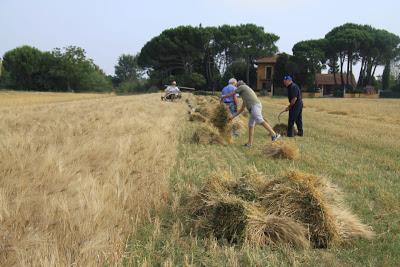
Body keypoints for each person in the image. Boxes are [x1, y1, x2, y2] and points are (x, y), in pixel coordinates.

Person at [221, 81, 280, 146]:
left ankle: (274, 135)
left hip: (255, 106)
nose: (237, 89)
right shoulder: (245, 96)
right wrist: (232, 117)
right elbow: (241, 110)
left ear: (239, 86)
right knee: (251, 125)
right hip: (254, 107)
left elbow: (232, 93)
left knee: (260, 120)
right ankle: (249, 143)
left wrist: (223, 97)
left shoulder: (242, 86)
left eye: (237, 87)